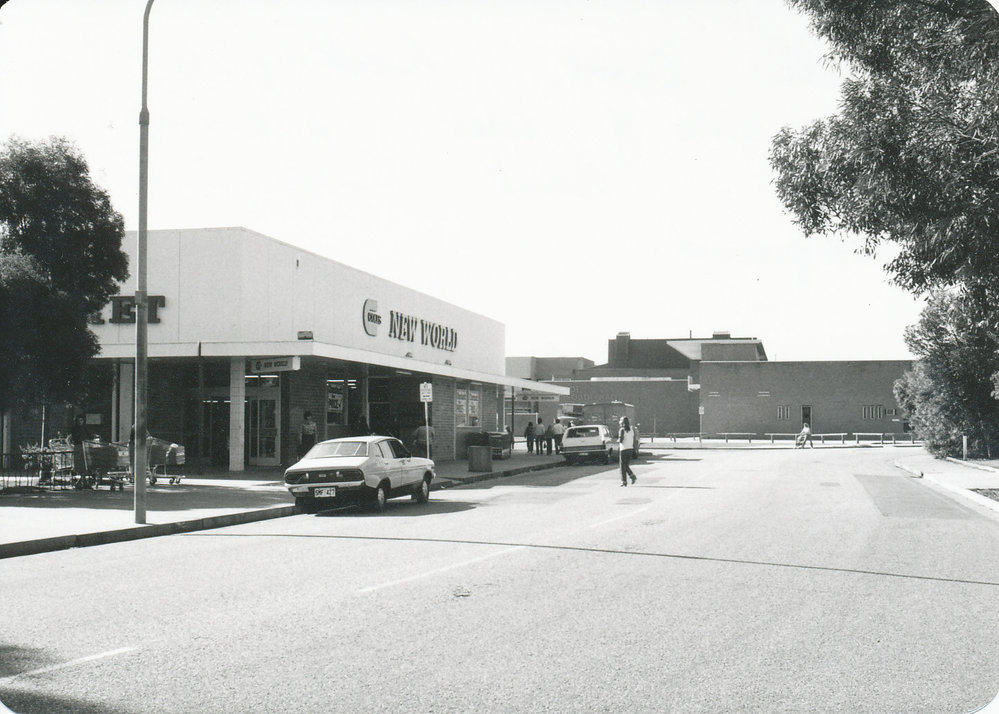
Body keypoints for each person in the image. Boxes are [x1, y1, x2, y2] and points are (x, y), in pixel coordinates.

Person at [618, 416, 637, 486]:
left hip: (623, 449)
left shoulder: (622, 430)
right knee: (626, 465)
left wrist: (618, 440)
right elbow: (633, 438)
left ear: (622, 422)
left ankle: (624, 481)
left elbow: (621, 440)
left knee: (622, 466)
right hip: (630, 448)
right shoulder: (632, 429)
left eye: (620, 421)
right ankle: (632, 476)